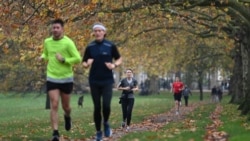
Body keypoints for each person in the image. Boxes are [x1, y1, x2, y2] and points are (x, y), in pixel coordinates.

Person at [39, 19, 81, 141]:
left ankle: (67, 117)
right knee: (54, 103)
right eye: (53, 28)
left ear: (62, 29)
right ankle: (55, 133)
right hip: (52, 77)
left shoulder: (68, 43)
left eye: (57, 27)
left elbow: (77, 58)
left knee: (66, 106)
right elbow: (47, 54)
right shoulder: (47, 42)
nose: (55, 30)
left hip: (66, 78)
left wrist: (64, 60)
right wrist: (42, 57)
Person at [82, 22, 122, 141]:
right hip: (94, 80)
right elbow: (84, 62)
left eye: (100, 30)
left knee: (106, 105)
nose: (98, 32)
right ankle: (99, 132)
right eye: (96, 31)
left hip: (107, 80)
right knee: (97, 107)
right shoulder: (90, 47)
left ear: (104, 32)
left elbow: (119, 58)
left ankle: (106, 123)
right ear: (94, 33)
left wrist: (114, 65)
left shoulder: (110, 46)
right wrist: (87, 64)